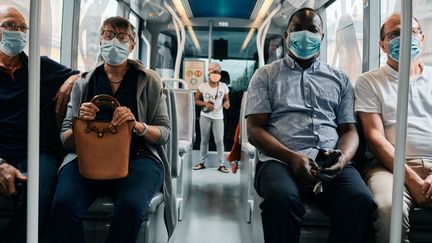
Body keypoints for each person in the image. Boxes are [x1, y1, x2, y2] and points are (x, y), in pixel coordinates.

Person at [246, 8, 376, 243]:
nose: (304, 35)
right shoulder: (265, 75)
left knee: (360, 201)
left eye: (312, 30)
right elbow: (254, 130)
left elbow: (348, 130)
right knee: (281, 199)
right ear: (287, 35)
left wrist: (343, 159)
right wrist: (292, 158)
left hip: (328, 159)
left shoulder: (340, 79)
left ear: (322, 37)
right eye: (297, 30)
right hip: (280, 160)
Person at [50, 16, 176, 243]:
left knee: (129, 207)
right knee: (63, 205)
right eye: (108, 35)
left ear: (132, 45)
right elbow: (65, 138)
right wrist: (82, 123)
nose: (114, 41)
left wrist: (137, 126)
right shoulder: (84, 83)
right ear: (100, 41)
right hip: (87, 157)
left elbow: (164, 132)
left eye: (122, 37)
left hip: (138, 157)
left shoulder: (149, 82)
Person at [0, 6, 79, 243]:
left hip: (36, 150)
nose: (17, 32)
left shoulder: (40, 67)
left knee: (40, 190)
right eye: (9, 25)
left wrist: (72, 80)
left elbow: (87, 75)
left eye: (23, 28)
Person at [355, 13, 432, 243]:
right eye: (395, 34)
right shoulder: (369, 82)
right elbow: (375, 137)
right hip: (389, 167)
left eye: (412, 31)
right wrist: (411, 179)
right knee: (388, 209)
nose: (405, 37)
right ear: (382, 45)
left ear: (422, 38)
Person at [193, 63, 231, 173]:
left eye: (218, 73)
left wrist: (227, 103)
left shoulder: (223, 86)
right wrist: (205, 103)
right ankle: (202, 163)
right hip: (205, 116)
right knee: (204, 140)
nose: (216, 75)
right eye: (213, 72)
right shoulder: (202, 86)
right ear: (209, 73)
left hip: (218, 117)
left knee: (219, 140)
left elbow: (227, 99)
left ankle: (221, 164)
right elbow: (196, 100)